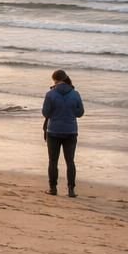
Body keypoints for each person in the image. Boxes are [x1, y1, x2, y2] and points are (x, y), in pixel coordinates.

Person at [40, 68, 84, 197]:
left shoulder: (50, 94)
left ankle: (53, 188)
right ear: (65, 78)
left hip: (53, 130)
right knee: (70, 161)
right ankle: (71, 190)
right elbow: (80, 113)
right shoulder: (75, 94)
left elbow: (45, 113)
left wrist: (56, 113)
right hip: (71, 131)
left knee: (53, 161)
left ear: (54, 80)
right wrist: (70, 112)